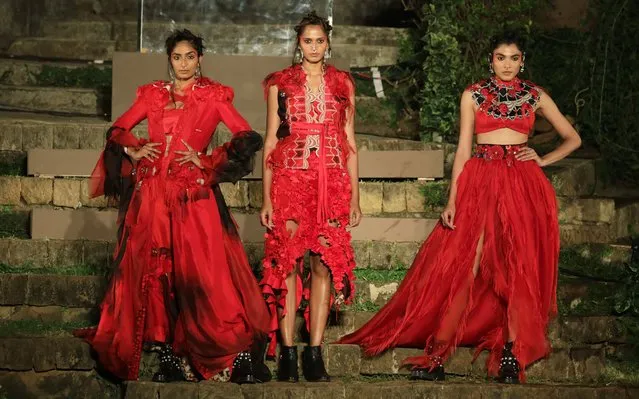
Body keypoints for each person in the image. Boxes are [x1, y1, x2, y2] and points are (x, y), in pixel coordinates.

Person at [338, 30, 582, 384]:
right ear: (490, 60)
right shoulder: (473, 95)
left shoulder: (534, 95)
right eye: (501, 57)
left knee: (517, 266)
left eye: (514, 58)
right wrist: (453, 199)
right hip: (480, 180)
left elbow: (572, 137)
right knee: (464, 264)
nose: (508, 64)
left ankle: (512, 354)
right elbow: (464, 150)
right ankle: (437, 353)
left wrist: (543, 160)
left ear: (523, 61)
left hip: (521, 182)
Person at [75, 29, 271, 384]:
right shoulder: (152, 95)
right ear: (170, 59)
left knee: (206, 275)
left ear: (200, 59)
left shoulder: (213, 96)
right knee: (159, 275)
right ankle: (168, 354)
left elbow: (246, 136)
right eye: (177, 57)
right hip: (152, 197)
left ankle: (235, 350)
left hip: (194, 197)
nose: (183, 63)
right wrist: (135, 148)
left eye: (190, 56)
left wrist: (206, 160)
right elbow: (118, 128)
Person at [258, 11, 362, 382]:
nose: (314, 47)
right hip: (289, 178)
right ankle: (288, 352)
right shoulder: (280, 84)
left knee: (323, 264)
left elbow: (350, 141)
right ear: (298, 43)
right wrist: (266, 197)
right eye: (307, 40)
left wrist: (355, 196)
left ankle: (314, 353)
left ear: (328, 43)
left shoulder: (342, 83)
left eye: (320, 40)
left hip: (332, 182)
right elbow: (271, 140)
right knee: (286, 263)